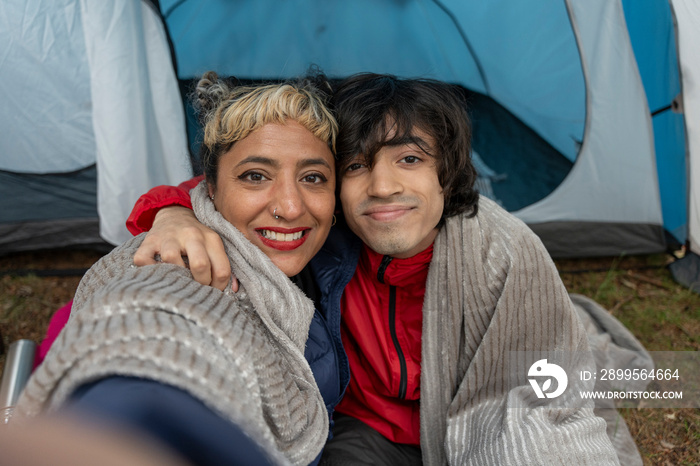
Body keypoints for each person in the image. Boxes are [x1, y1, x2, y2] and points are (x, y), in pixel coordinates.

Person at [124, 73, 621, 465]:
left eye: (409, 158)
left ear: (446, 172)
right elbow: (228, 192)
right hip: (369, 427)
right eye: (357, 166)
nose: (382, 187)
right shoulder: (323, 233)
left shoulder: (501, 249)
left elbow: (535, 395)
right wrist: (170, 212)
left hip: (477, 412)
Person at [14, 71, 345, 466]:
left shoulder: (324, 256)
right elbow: (155, 334)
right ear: (210, 189)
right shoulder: (174, 261)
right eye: (255, 176)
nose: (290, 207)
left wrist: (170, 206)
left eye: (313, 177)